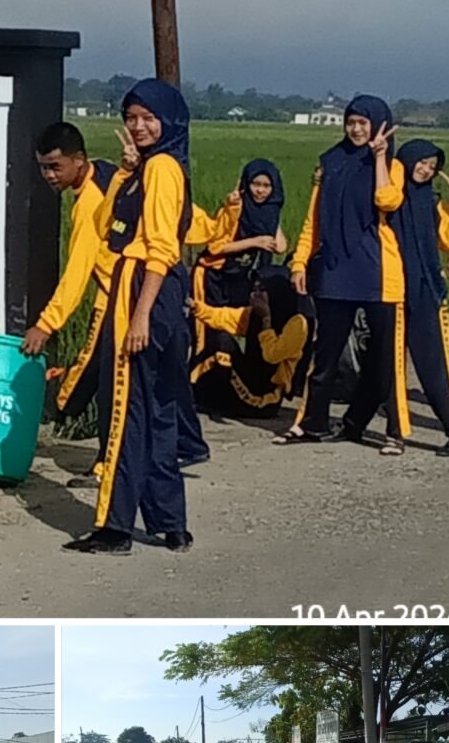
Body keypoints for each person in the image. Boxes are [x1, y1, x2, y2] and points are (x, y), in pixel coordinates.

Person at [64, 79, 196, 555]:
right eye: (132, 117)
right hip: (153, 290)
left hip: (142, 287)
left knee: (123, 414)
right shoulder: (155, 167)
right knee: (157, 412)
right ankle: (170, 524)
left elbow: (160, 247)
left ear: (169, 120)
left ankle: (113, 526)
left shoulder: (161, 169)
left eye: (148, 118)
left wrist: (140, 316)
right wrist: (123, 175)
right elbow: (107, 227)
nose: (138, 127)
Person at [277, 96, 405, 450]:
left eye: (364, 122)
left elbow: (388, 201)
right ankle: (311, 423)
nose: (356, 129)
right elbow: (313, 220)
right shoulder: (330, 162)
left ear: (379, 124)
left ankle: (391, 430)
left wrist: (379, 157)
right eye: (352, 122)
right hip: (335, 268)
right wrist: (300, 261)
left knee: (383, 360)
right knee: (325, 356)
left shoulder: (392, 165)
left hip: (379, 271)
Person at [22, 123, 119, 483]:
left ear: (79, 161)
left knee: (101, 383)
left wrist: (46, 324)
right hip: (128, 295)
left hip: (117, 300)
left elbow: (77, 272)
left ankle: (105, 463)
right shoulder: (106, 174)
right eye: (43, 167)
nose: (48, 175)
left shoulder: (90, 202)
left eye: (55, 166)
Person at [384, 140, 449, 455]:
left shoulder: (432, 204)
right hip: (393, 289)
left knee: (435, 366)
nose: (427, 170)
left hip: (426, 292)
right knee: (391, 364)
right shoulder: (389, 202)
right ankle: (395, 433)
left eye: (432, 166)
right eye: (422, 162)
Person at [189, 160, 287, 381]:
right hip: (211, 275)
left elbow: (280, 246)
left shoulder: (270, 211)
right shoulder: (235, 207)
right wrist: (255, 242)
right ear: (245, 184)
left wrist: (274, 219)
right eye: (255, 184)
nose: (260, 191)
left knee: (236, 325)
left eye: (266, 186)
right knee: (205, 333)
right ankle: (199, 382)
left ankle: (224, 379)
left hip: (237, 277)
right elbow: (216, 247)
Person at [190, 274, 316, 419]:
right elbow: (223, 317)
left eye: (261, 291)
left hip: (266, 398)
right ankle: (198, 391)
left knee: (223, 348)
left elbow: (272, 356)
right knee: (220, 339)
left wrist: (266, 321)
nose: (255, 295)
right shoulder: (252, 314)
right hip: (250, 376)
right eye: (253, 290)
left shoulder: (297, 324)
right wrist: (196, 307)